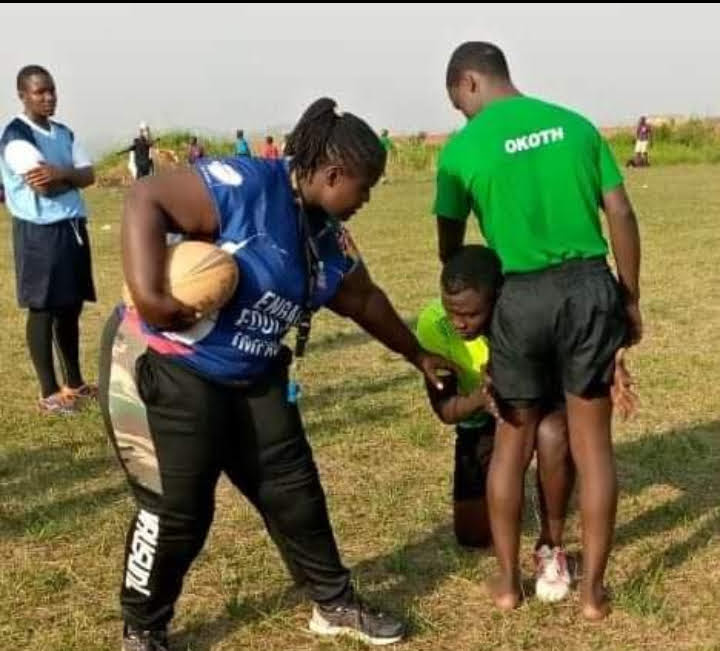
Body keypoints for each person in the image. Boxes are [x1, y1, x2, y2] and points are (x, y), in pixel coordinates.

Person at [100, 97, 453, 650]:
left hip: (255, 368)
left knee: (294, 488)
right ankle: (144, 626)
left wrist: (417, 355)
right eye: (365, 185)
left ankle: (332, 602)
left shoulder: (325, 232)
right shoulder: (246, 186)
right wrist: (151, 296)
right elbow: (147, 196)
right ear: (333, 174)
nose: (366, 198)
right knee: (180, 507)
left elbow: (361, 298)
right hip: (170, 363)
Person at [435, 42, 642, 620]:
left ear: (470, 82)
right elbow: (621, 214)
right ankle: (592, 596)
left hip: (517, 295)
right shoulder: (575, 126)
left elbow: (452, 249)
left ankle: (506, 585)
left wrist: (468, 290)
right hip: (587, 287)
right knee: (593, 448)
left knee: (512, 441)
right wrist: (629, 295)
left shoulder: (461, 151)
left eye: (459, 101)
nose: (461, 113)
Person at [416, 245, 637, 602]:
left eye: (471, 315)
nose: (459, 323)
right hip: (483, 421)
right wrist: (481, 398)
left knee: (552, 435)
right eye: (452, 311)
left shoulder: (523, 320)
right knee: (472, 535)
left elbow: (579, 359)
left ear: (499, 300)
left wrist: (613, 366)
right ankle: (514, 555)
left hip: (539, 408)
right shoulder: (434, 326)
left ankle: (551, 544)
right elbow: (445, 411)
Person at [0, 65, 97, 414]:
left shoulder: (64, 133)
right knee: (43, 309)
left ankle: (74, 382)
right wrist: (67, 176)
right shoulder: (15, 136)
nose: (49, 97)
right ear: (23, 95)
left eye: (52, 90)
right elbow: (43, 184)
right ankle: (49, 391)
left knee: (70, 306)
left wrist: (64, 174)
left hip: (71, 228)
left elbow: (90, 174)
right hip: (39, 232)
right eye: (40, 92)